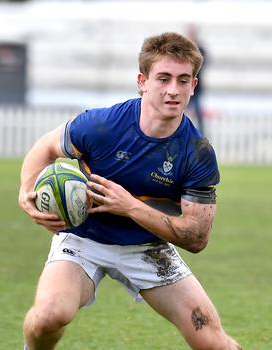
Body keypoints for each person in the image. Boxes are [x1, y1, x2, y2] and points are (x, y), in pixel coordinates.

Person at [18, 32, 240, 350]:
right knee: (47, 318)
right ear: (142, 81)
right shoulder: (103, 125)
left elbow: (196, 238)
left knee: (212, 342)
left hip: (148, 248)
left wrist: (131, 207)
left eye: (183, 80)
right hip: (83, 239)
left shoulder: (197, 153)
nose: (173, 90)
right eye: (163, 78)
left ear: (194, 85)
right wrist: (26, 192)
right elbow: (46, 146)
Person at [185, 24, 207, 133]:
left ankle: (201, 133)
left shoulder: (200, 48)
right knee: (181, 110)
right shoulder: (184, 47)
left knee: (198, 112)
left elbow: (204, 63)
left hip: (196, 87)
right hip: (185, 85)